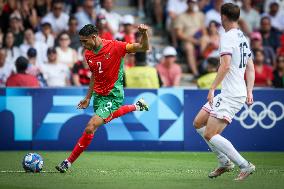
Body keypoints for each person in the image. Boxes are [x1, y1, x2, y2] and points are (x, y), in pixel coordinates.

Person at [55, 24, 150, 173]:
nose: (83, 45)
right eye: (81, 41)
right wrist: (88, 97)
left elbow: (143, 47)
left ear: (94, 37)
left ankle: (67, 162)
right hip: (99, 96)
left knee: (91, 126)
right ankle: (137, 106)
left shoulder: (116, 46)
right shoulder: (88, 53)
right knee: (107, 117)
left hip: (113, 95)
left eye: (85, 41)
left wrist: (144, 34)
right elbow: (94, 75)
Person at [193, 3, 255, 181]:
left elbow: (226, 65)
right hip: (234, 91)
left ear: (223, 17)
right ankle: (224, 161)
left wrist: (212, 88)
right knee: (198, 123)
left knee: (210, 134)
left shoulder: (227, 36)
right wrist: (249, 90)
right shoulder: (243, 37)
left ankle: (244, 165)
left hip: (231, 93)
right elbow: (250, 67)